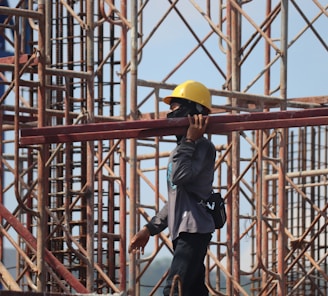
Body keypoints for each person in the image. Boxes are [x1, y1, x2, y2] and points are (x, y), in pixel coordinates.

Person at [128, 80, 216, 296]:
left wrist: (189, 141)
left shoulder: (202, 147)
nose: (170, 115)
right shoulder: (181, 150)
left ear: (194, 111)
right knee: (194, 291)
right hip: (183, 232)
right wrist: (149, 229)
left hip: (194, 230)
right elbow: (176, 200)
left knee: (174, 290)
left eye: (175, 108)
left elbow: (180, 176)